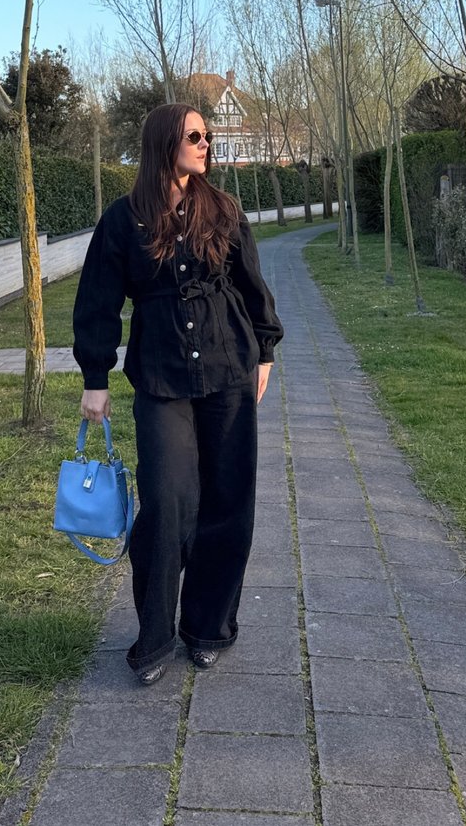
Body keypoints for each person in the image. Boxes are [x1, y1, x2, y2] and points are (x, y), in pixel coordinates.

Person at [72, 102, 284, 685]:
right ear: (165, 142)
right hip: (161, 376)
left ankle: (209, 627)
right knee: (166, 503)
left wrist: (265, 350)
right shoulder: (124, 219)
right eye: (195, 135)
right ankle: (155, 637)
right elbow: (97, 300)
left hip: (229, 368)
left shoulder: (223, 210)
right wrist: (96, 376)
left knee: (228, 499)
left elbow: (251, 285)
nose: (205, 144)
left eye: (208, 136)